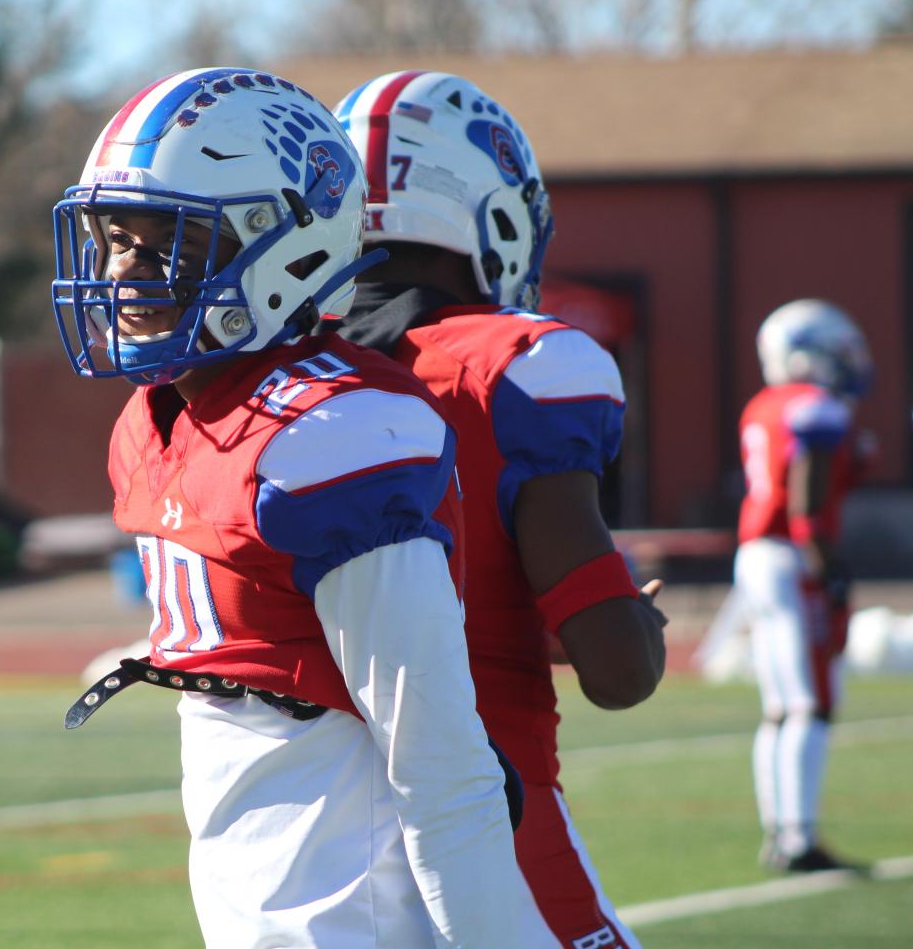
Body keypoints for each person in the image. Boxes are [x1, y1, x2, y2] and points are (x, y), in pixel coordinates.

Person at [53, 67, 551, 948]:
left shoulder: (339, 432)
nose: (121, 274)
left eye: (161, 241)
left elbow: (442, 769)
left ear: (280, 243)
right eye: (112, 240)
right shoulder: (156, 421)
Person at [332, 70, 668, 947]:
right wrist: (631, 622)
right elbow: (618, 671)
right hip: (486, 815)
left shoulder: (275, 381)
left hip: (312, 850)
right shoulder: (513, 366)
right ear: (484, 207)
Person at [736, 298, 874, 872]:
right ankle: (798, 838)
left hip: (756, 555)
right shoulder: (818, 409)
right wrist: (828, 565)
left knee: (781, 705)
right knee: (811, 703)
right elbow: (808, 505)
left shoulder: (763, 405)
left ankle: (782, 833)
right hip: (793, 557)